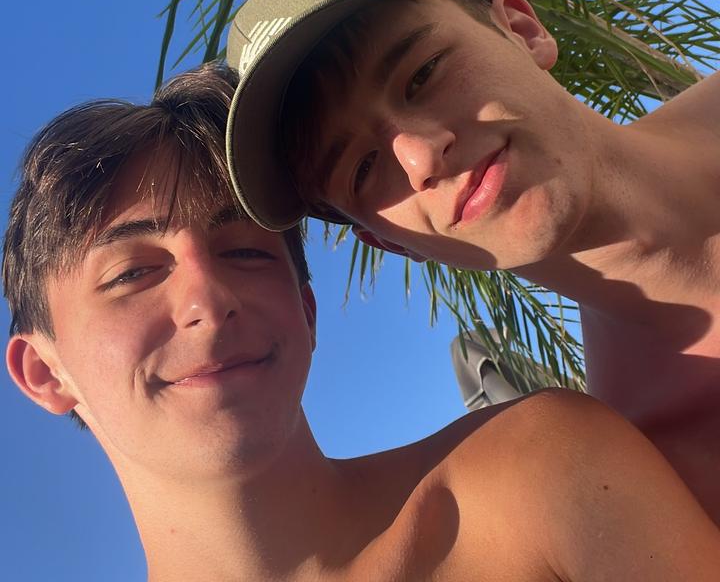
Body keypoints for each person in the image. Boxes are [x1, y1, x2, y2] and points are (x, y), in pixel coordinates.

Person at [4, 63, 719, 580]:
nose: (208, 300)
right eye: (132, 273)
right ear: (44, 371)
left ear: (307, 311)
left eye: (246, 252)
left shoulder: (539, 477)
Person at [223, 0, 720, 524]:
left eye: (423, 74)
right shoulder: (667, 479)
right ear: (386, 240)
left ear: (523, 30)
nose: (420, 158)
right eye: (362, 169)